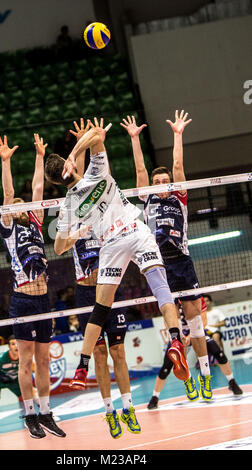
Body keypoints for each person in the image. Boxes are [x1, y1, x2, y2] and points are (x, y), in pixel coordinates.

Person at [45, 117, 190, 404]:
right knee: (161, 287)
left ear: (53, 182)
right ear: (68, 167)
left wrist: (78, 232)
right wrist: (75, 153)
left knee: (100, 308)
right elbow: (98, 134)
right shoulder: (96, 171)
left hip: (110, 245)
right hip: (135, 231)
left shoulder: (69, 206)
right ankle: (175, 338)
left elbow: (60, 247)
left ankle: (81, 367)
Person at [122, 111, 212, 401]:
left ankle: (206, 376)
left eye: (164, 180)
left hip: (183, 262)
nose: (161, 183)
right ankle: (185, 375)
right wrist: (135, 139)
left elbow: (177, 165)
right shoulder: (147, 199)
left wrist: (177, 134)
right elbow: (139, 172)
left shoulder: (179, 197)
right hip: (159, 265)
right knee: (175, 327)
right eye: (157, 180)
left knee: (195, 323)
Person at [69, 119, 140, 437]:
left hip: (110, 286)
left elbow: (90, 175)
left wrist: (89, 142)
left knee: (119, 352)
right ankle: (110, 412)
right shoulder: (69, 210)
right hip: (86, 292)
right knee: (98, 353)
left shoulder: (101, 203)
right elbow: (76, 179)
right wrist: (78, 151)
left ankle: (128, 408)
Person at [0, 134, 65, 439]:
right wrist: (5, 161)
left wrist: (40, 156)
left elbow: (37, 188)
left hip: (43, 300)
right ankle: (30, 415)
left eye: (25, 206)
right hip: (22, 300)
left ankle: (46, 412)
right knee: (25, 362)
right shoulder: (10, 230)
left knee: (44, 360)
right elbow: (9, 194)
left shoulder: (35, 222)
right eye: (18, 207)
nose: (23, 207)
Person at [148, 298, 243, 409]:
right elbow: (168, 323)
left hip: (197, 333)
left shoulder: (195, 295)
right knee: (166, 367)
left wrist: (190, 336)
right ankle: (155, 397)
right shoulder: (170, 298)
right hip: (180, 336)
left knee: (218, 353)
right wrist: (181, 337)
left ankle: (232, 382)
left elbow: (203, 321)